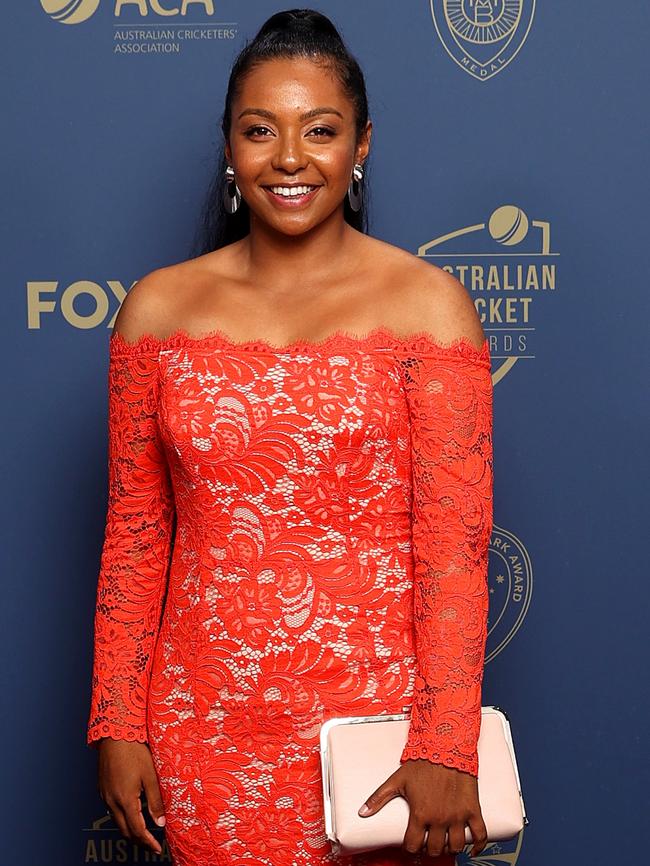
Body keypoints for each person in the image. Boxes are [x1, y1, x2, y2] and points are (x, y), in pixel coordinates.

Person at [86, 8, 494, 865]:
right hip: (200, 729)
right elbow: (133, 536)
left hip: (377, 741)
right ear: (230, 147)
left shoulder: (428, 306)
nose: (290, 158)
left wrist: (446, 742)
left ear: (362, 145)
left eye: (321, 130)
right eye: (260, 130)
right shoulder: (157, 310)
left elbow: (453, 553)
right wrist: (117, 719)